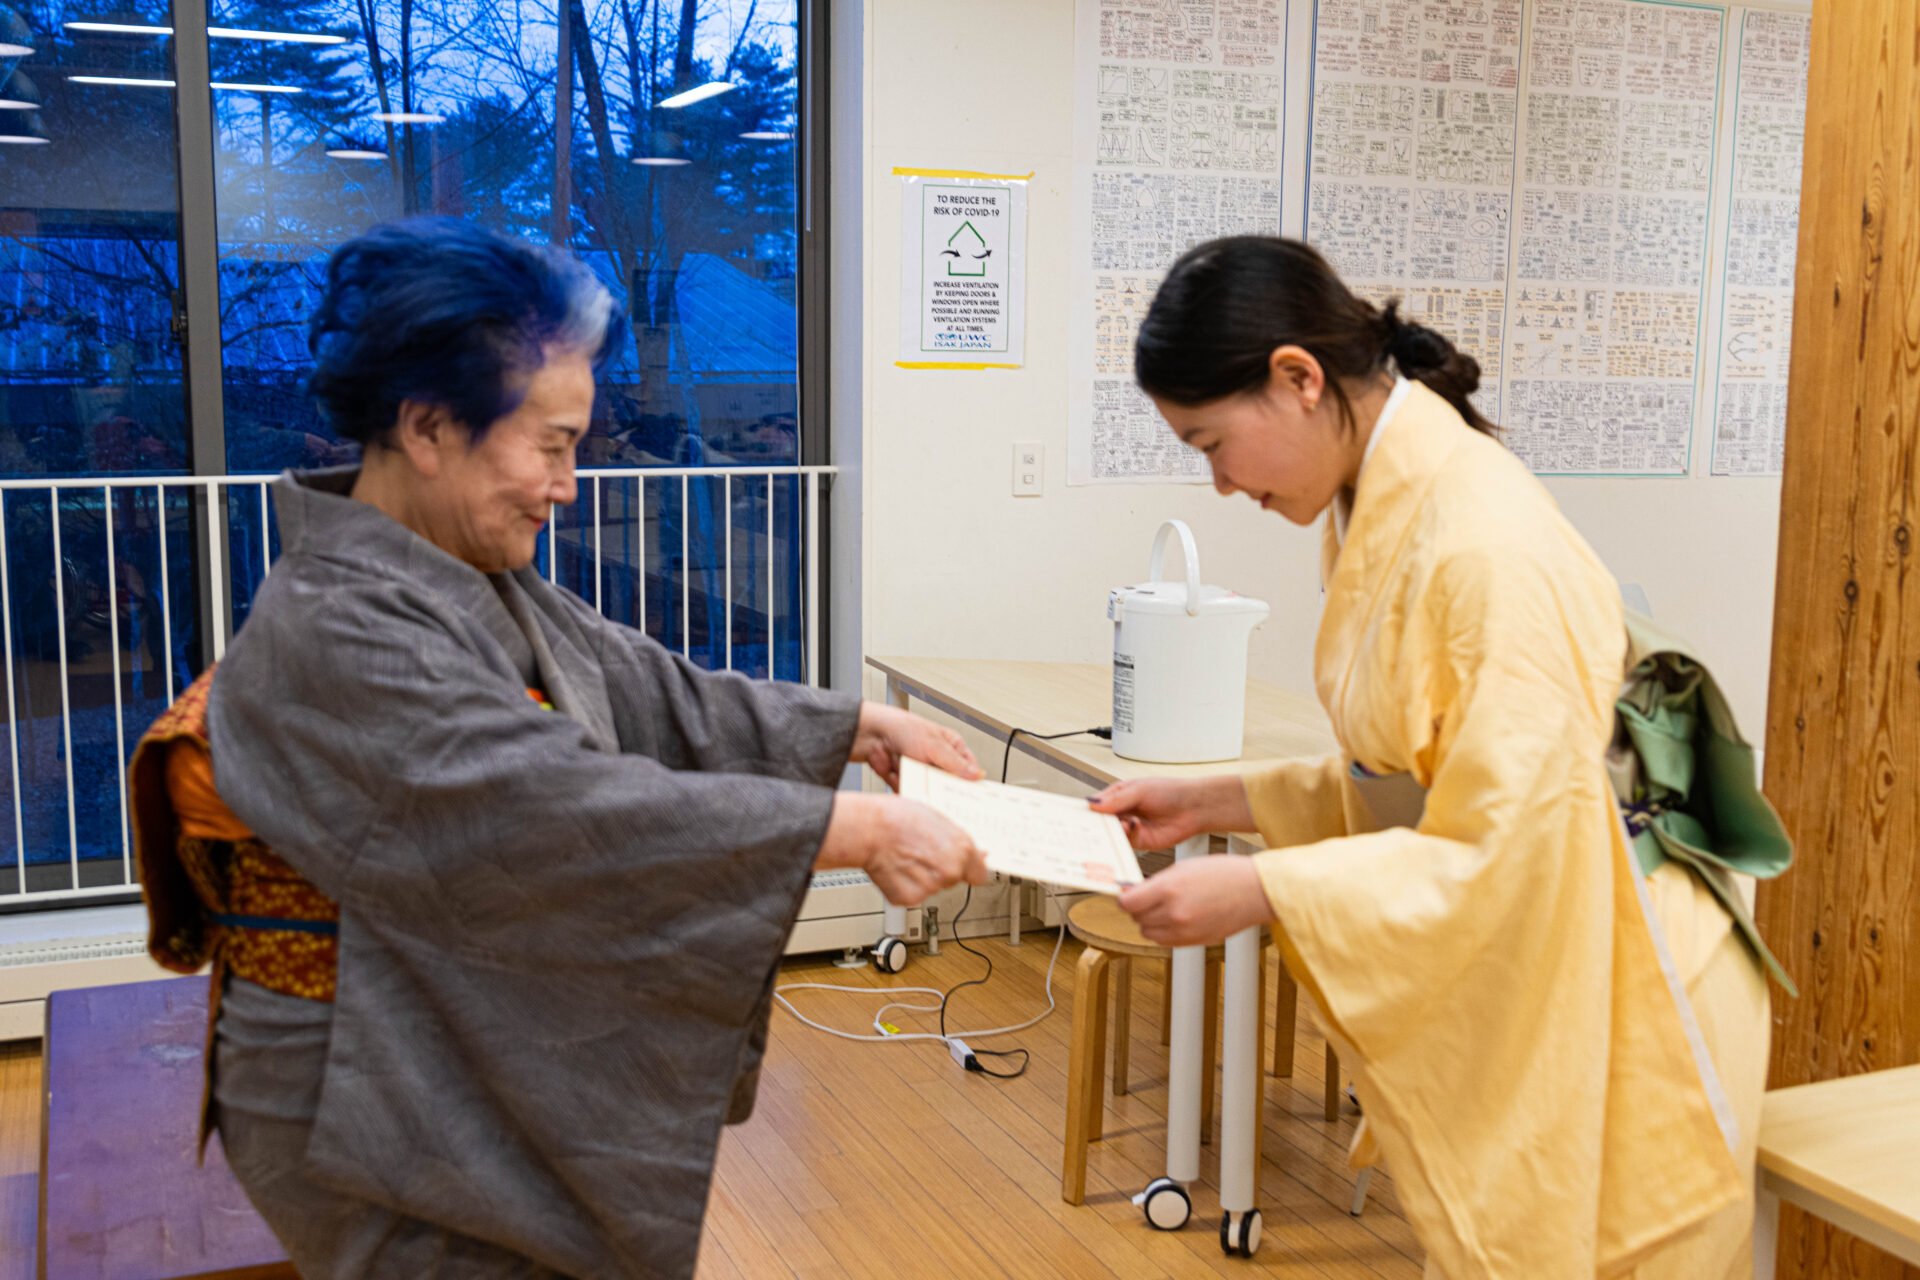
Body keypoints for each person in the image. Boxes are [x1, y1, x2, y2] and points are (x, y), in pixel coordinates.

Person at [134, 217, 989, 1279]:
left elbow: (645, 683)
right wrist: (849, 828)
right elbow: (543, 805)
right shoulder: (337, 623)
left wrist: (859, 725)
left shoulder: (452, 570)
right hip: (362, 1087)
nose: (570, 483)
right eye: (552, 444)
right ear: (431, 426)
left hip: (432, 1039)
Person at [1094, 236, 1771, 1278]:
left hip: (1627, 979)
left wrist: (1264, 885)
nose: (1219, 482)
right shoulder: (1384, 502)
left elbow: (1509, 845)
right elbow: (1417, 773)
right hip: (1564, 939)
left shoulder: (1482, 543)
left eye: (1211, 442)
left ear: (1297, 378)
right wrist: (1215, 801)